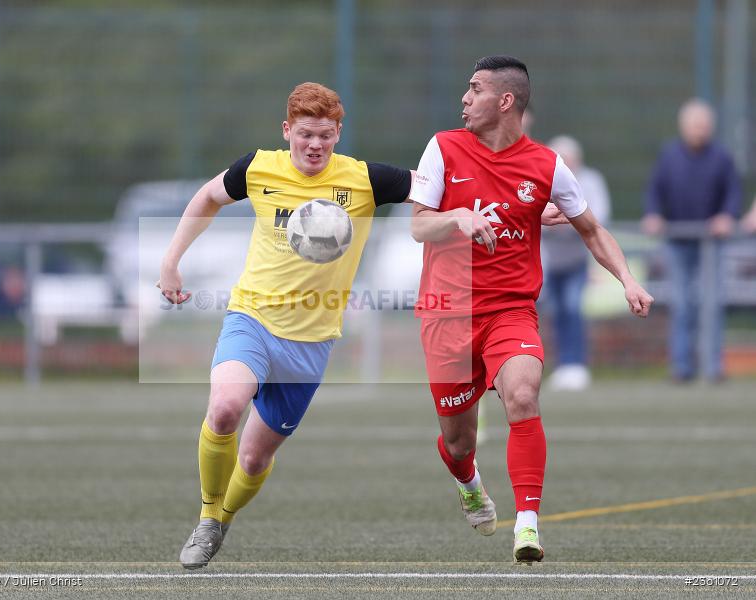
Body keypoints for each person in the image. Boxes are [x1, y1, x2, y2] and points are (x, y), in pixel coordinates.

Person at [160, 81, 573, 570]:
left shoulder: (364, 179)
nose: (315, 145)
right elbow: (207, 197)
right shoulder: (257, 167)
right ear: (287, 130)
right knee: (225, 408)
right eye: (306, 134)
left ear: (338, 134)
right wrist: (171, 262)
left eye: (326, 135)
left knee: (253, 459)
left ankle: (225, 517)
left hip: (310, 344)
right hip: (251, 318)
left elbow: (441, 186)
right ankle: (208, 518)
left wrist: (525, 206)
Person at [410, 56, 652, 563]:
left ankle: (527, 524)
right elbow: (419, 225)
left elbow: (592, 230)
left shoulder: (547, 165)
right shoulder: (443, 147)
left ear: (505, 101)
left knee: (522, 394)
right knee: (458, 442)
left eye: (474, 89)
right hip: (447, 315)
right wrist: (457, 217)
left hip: (510, 310)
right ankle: (469, 483)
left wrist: (628, 279)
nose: (464, 99)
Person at [642, 99, 742, 382]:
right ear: (683, 126)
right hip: (678, 241)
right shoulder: (669, 156)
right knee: (681, 304)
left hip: (711, 244)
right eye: (695, 125)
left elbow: (733, 192)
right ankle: (682, 367)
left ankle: (713, 367)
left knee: (712, 305)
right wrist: (653, 214)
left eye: (704, 125)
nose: (700, 130)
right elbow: (654, 190)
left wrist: (726, 216)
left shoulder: (722, 157)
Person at [541, 136, 612, 390]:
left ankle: (576, 364)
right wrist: (553, 224)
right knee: (556, 312)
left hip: (578, 259)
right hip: (549, 261)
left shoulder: (590, 181)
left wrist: (569, 222)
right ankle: (563, 365)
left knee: (573, 308)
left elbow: (598, 216)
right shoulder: (542, 180)